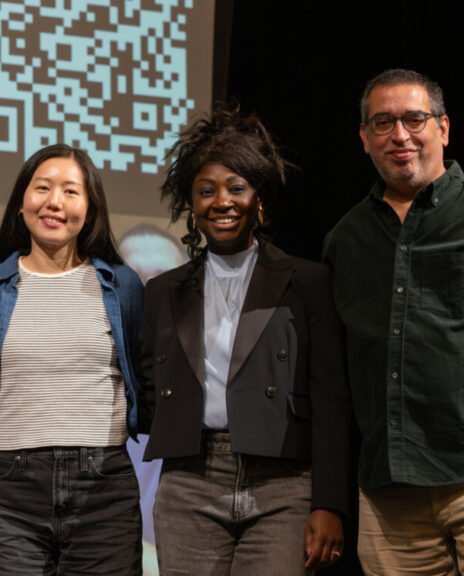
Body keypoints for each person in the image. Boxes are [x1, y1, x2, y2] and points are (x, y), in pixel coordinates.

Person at [323, 68, 464, 576]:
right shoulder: (344, 240)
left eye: (415, 119)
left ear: (444, 129)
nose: (400, 134)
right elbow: (335, 376)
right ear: (364, 139)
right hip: (390, 495)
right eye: (383, 123)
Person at [140, 105, 351, 575]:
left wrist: (330, 502)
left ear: (259, 199)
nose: (222, 201)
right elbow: (149, 384)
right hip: (190, 480)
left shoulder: (307, 281)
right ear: (190, 205)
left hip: (284, 482)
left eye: (237, 187)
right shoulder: (163, 292)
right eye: (206, 190)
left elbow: (331, 400)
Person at [0, 144, 144, 575]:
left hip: (104, 486)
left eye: (70, 191)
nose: (54, 202)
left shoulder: (120, 285)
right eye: (42, 188)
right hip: (10, 487)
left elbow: (141, 368)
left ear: (90, 207)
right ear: (22, 203)